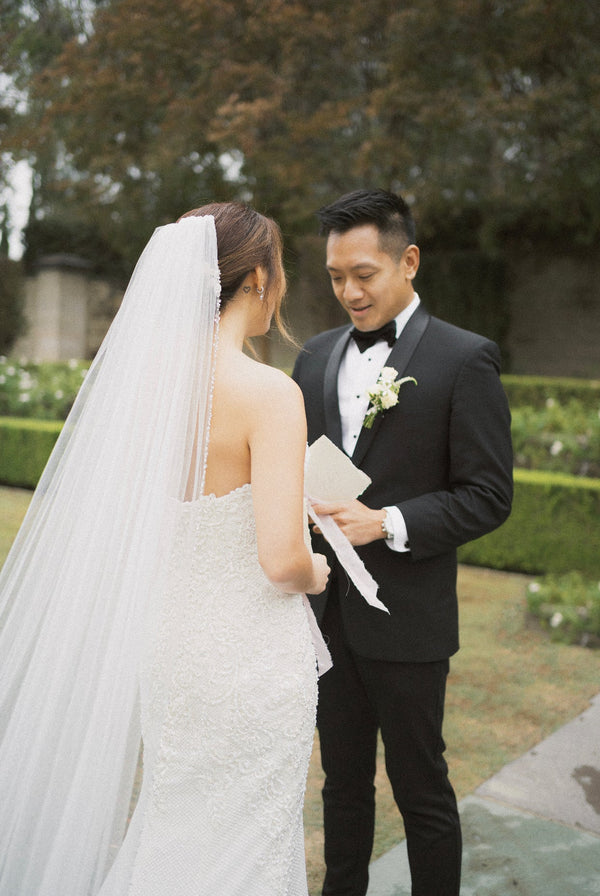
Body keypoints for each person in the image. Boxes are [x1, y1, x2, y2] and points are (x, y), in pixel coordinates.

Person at [0, 203, 330, 896]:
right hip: (251, 662)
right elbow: (280, 559)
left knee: (173, 819)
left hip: (171, 648)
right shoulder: (270, 393)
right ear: (258, 281)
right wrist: (317, 568)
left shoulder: (144, 396)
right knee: (247, 837)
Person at [292, 188, 513, 896]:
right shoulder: (316, 357)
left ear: (408, 260)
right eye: (335, 277)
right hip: (327, 621)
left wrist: (385, 522)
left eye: (364, 274)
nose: (348, 292)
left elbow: (488, 495)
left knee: (423, 794)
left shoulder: (464, 358)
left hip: (410, 621)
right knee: (341, 788)